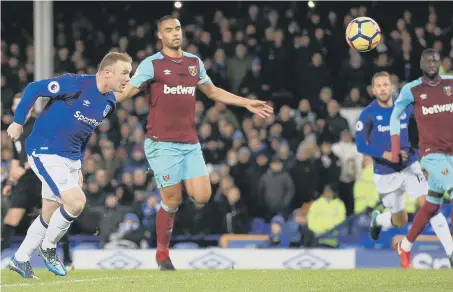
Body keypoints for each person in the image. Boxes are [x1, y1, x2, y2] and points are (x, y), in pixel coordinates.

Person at [115, 15, 273, 270]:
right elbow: (125, 93)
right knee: (173, 199)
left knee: (202, 196)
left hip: (189, 143)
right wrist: (96, 96)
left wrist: (246, 102)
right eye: (169, 30)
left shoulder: (193, 62)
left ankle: (168, 189)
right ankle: (162, 253)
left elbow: (212, 92)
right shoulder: (151, 64)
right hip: (161, 144)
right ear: (160, 36)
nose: (175, 33)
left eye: (177, 28)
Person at [6, 52, 132, 279]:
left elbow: (85, 133)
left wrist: (79, 165)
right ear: (107, 72)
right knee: (76, 202)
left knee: (48, 214)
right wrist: (17, 122)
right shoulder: (76, 84)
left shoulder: (109, 102)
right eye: (125, 73)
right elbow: (35, 88)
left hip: (71, 158)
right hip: (45, 151)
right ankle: (48, 247)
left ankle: (20, 259)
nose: (128, 79)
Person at [389, 49, 453, 269]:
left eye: (436, 59)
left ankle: (405, 246)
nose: (432, 63)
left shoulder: (450, 83)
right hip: (431, 156)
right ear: (421, 63)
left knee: (431, 205)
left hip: (452, 155)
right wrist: (396, 147)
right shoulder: (412, 89)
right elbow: (395, 116)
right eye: (428, 60)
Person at [2, 96, 74, 270]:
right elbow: (15, 157)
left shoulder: (37, 125)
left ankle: (67, 258)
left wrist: (24, 167)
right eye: (16, 104)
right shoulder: (15, 129)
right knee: (12, 218)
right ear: (13, 108)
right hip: (24, 180)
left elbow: (41, 150)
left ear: (30, 108)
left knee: (51, 218)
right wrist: (10, 182)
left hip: (41, 176)